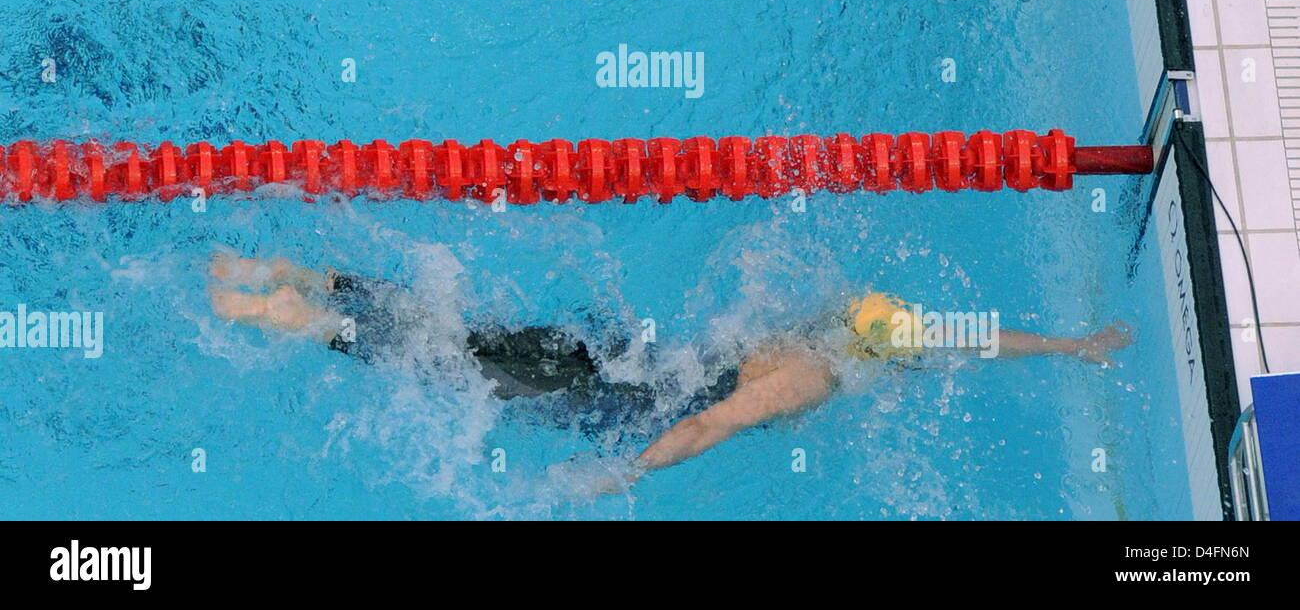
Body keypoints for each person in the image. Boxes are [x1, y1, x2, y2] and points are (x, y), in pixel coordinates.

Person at [207, 254, 1132, 486]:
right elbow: (711, 424)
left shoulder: (844, 317)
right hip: (616, 397)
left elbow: (962, 334)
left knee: (467, 334)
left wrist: (1065, 346)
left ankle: (314, 274)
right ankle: (293, 317)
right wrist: (627, 473)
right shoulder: (813, 377)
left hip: (615, 349)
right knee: (456, 376)